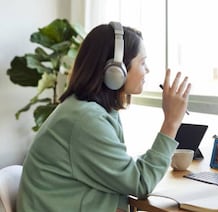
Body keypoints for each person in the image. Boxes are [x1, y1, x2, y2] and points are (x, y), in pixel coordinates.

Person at [17, 22, 191, 212]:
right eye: (142, 62)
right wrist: (171, 122)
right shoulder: (86, 119)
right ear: (116, 70)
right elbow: (140, 183)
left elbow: (122, 173)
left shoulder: (92, 111)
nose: (147, 70)